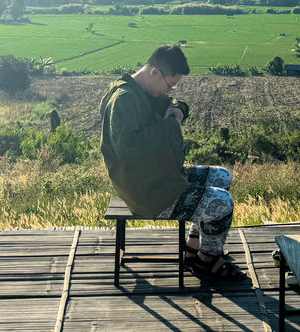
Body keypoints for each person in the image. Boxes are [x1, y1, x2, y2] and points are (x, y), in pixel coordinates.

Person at [100, 43, 246, 281]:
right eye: (169, 84)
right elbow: (128, 148)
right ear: (155, 73)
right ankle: (208, 261)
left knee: (222, 176)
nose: (169, 90)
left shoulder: (142, 90)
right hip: (148, 192)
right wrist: (170, 125)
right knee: (223, 203)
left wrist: (178, 108)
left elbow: (174, 104)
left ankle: (192, 248)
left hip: (161, 176)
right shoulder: (124, 99)